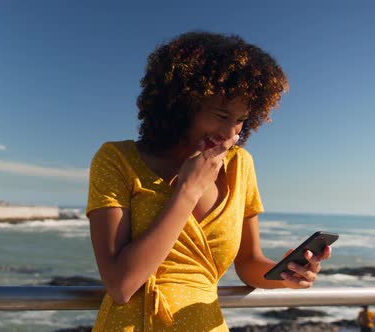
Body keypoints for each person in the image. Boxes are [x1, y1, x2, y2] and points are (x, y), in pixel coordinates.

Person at [85, 31, 333, 332]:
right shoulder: (116, 159)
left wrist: (288, 275)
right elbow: (121, 285)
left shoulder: (239, 165)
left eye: (241, 119)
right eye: (221, 114)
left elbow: (248, 263)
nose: (231, 133)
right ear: (181, 104)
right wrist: (188, 190)